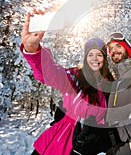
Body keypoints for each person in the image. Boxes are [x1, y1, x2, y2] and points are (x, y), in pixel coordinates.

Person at [20, 9, 114, 155]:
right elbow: (49, 73)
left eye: (99, 55)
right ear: (85, 58)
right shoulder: (75, 77)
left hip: (88, 148)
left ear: (105, 59)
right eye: (90, 54)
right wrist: (32, 49)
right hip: (59, 140)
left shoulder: (111, 87)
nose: (94, 59)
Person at [72, 32, 131, 155]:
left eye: (118, 46)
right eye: (111, 48)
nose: (114, 50)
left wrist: (115, 135)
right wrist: (94, 131)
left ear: (127, 49)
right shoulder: (115, 82)